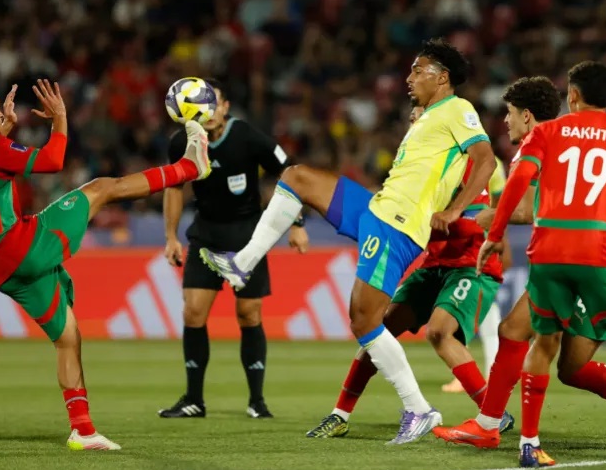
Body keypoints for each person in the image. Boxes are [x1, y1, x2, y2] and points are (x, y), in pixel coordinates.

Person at [202, 38, 498, 444]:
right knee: (296, 177)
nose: (408, 77)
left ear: (442, 77)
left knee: (364, 320)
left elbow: (486, 159)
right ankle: (243, 263)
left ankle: (418, 409)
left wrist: (454, 209)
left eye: (418, 69)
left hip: (398, 224)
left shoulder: (459, 109)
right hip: (377, 207)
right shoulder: (427, 116)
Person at [0, 79, 211, 450]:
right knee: (100, 189)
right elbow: (52, 161)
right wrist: (60, 119)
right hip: (21, 247)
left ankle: (82, 430)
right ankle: (190, 168)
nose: (2, 110)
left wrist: (6, 127)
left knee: (67, 337)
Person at [435, 75, 606, 458]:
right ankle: (489, 424)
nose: (505, 123)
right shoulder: (575, 138)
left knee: (543, 346)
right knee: (545, 351)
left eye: (509, 114)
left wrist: (481, 220)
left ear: (527, 115)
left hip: (593, 262)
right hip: (573, 257)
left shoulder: (550, 139)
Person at [306, 105, 515, 439]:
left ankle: (493, 412)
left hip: (470, 265)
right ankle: (339, 414)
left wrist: (438, 223)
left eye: (424, 117)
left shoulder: (472, 166)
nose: (416, 122)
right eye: (415, 118)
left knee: (439, 331)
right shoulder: (418, 169)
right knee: (376, 332)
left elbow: (480, 222)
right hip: (434, 266)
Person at [158, 79, 309, 420]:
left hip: (248, 239)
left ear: (225, 107)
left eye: (215, 103)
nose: (208, 110)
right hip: (205, 237)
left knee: (249, 315)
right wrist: (170, 236)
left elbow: (290, 173)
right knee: (193, 313)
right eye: (202, 105)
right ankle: (193, 400)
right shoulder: (182, 142)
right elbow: (173, 187)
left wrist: (297, 224)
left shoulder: (247, 137)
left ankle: (257, 401)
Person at [442, 158, 507, 393]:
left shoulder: (490, 164)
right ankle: (478, 373)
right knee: (460, 311)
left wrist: (499, 239)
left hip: (476, 240)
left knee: (470, 311)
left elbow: (499, 206)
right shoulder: (490, 163)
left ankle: (482, 374)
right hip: (458, 241)